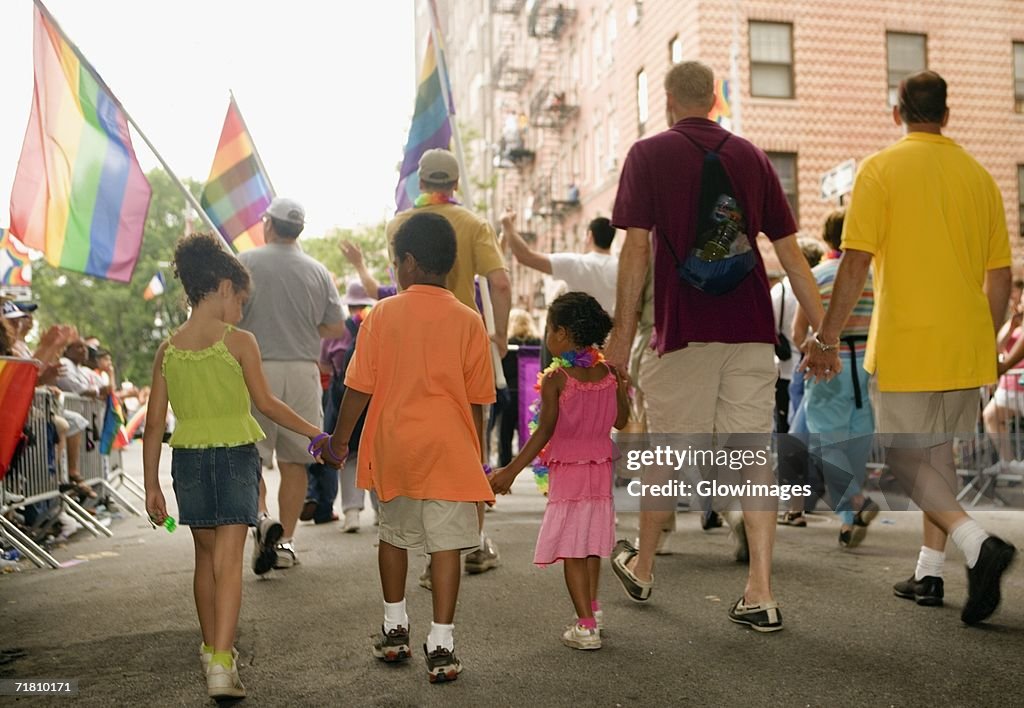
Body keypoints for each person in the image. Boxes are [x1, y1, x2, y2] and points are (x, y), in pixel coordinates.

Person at [603, 60, 825, 632]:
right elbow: (792, 255)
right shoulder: (752, 157)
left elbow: (634, 249)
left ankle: (645, 565)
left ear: (670, 99)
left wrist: (621, 333)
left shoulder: (648, 154)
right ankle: (761, 592)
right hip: (750, 329)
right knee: (753, 460)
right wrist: (823, 335)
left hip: (683, 332)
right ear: (715, 100)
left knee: (669, 455)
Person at [802, 71, 1017, 623]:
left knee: (902, 456)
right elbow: (1000, 276)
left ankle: (976, 544)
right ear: (946, 114)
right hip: (967, 343)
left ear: (898, 112)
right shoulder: (980, 177)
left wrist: (826, 336)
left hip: (908, 341)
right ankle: (929, 572)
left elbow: (853, 264)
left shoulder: (881, 169)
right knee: (936, 456)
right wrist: (987, 342)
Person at [142, 233, 325, 699]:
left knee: (204, 560)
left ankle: (211, 649)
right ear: (224, 287)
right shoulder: (239, 342)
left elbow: (154, 425)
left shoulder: (168, 350)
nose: (242, 312)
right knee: (228, 562)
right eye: (241, 301)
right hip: (235, 458)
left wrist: (152, 488)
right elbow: (268, 403)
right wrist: (315, 434)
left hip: (188, 462)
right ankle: (223, 665)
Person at [323, 213, 495, 683]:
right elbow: (479, 400)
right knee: (445, 548)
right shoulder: (468, 319)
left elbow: (358, 387)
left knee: (394, 536)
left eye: (396, 261)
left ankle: (395, 627)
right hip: (452, 448)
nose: (396, 269)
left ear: (411, 263)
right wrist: (476, 460)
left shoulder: (383, 314)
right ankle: (442, 643)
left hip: (396, 445)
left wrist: (339, 441)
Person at [386, 148, 512, 577]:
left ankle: (417, 538)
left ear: (421, 183)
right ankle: (468, 543)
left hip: (410, 346)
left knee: (417, 437)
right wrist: (502, 335)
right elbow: (499, 282)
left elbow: (398, 283)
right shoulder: (474, 224)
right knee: (468, 443)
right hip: (464, 340)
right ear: (455, 184)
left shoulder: (399, 224)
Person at [490, 292, 630, 650]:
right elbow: (622, 420)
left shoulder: (557, 378)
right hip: (599, 474)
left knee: (572, 548)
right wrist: (623, 389)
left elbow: (545, 430)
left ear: (564, 334)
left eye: (550, 329)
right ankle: (594, 611)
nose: (547, 337)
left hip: (569, 475)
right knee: (592, 545)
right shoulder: (610, 373)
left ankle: (586, 628)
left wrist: (510, 470)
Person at [238, 197, 346, 572]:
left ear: (269, 225)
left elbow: (231, 315)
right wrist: (302, 325)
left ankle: (263, 517)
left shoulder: (246, 262)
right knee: (296, 460)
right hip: (303, 369)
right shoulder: (317, 270)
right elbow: (336, 326)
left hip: (256, 365)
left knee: (250, 455)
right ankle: (285, 544)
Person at [791, 210, 878, 548]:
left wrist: (810, 345)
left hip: (828, 367)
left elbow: (799, 333)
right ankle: (848, 523)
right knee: (854, 446)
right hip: (866, 367)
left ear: (828, 238)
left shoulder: (817, 275)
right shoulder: (871, 277)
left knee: (828, 445)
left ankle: (856, 502)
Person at [304, 280, 378, 531]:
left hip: (343, 396)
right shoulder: (377, 325)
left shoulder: (337, 332)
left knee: (348, 456)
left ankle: (352, 513)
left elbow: (324, 365)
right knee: (377, 455)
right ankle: (382, 512)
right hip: (375, 400)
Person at [501, 210, 619, 315]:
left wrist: (507, 225)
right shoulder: (621, 268)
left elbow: (526, 256)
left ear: (589, 236)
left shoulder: (575, 263)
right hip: (611, 335)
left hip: (579, 335)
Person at [981, 286, 1024, 473]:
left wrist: (1003, 367)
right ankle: (1009, 463)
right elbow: (998, 345)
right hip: (1009, 385)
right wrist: (1012, 326)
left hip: (1017, 381)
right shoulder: (1013, 322)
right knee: (991, 415)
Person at [492, 309, 541, 467]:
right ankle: (532, 464)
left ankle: (504, 467)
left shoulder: (507, 343)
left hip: (510, 392)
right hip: (530, 394)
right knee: (529, 431)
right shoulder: (537, 343)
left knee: (505, 434)